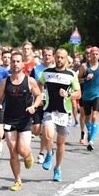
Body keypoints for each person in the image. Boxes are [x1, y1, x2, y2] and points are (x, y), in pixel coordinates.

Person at [0, 51, 42, 191]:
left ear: (22, 63)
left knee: (22, 149)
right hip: (9, 119)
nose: (15, 64)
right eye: (13, 61)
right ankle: (17, 180)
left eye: (18, 61)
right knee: (13, 151)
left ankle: (28, 154)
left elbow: (38, 96)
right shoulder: (5, 82)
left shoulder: (30, 81)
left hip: (25, 119)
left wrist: (34, 106)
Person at [39, 48, 81, 181]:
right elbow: (39, 84)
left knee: (61, 143)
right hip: (49, 109)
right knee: (47, 133)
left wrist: (68, 94)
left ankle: (57, 168)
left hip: (64, 113)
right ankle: (49, 154)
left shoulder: (71, 74)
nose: (59, 60)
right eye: (57, 57)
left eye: (62, 57)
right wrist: (40, 96)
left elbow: (78, 93)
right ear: (54, 58)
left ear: (66, 59)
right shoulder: (46, 72)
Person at [78, 46, 99, 151]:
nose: (94, 56)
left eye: (97, 54)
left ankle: (91, 141)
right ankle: (90, 131)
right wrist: (86, 78)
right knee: (88, 118)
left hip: (98, 94)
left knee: (95, 116)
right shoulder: (84, 67)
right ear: (89, 55)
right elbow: (79, 80)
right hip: (86, 95)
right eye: (93, 54)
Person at [30, 46, 54, 164]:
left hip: (51, 104)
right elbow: (30, 83)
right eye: (45, 55)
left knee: (46, 129)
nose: (47, 57)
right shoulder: (36, 69)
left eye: (49, 55)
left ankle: (41, 153)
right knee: (36, 129)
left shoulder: (56, 70)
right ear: (42, 56)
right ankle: (41, 138)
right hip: (38, 102)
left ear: (52, 56)